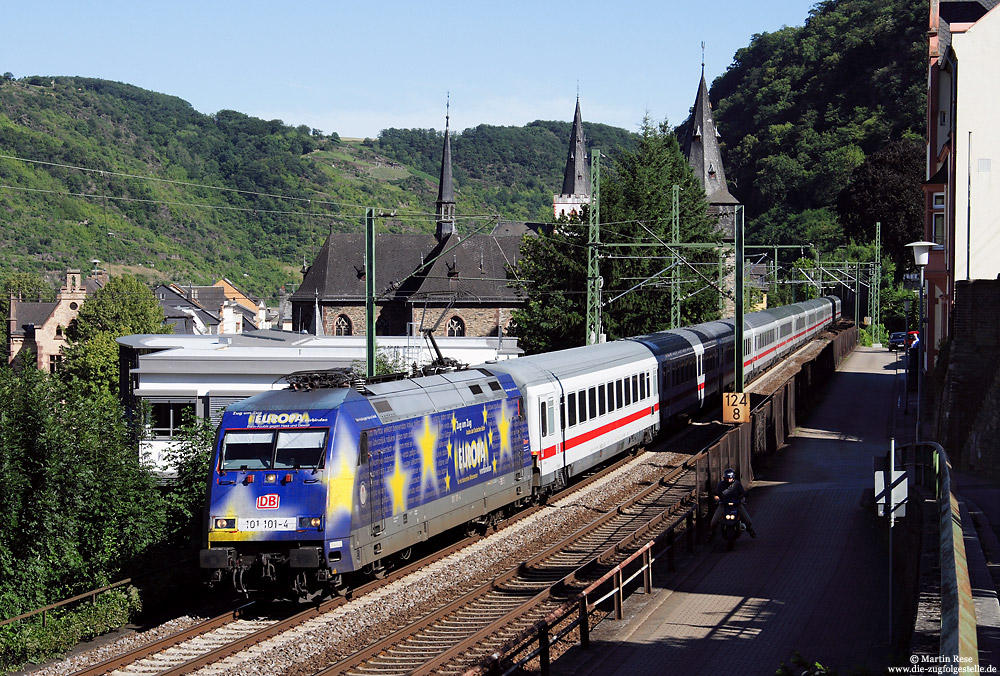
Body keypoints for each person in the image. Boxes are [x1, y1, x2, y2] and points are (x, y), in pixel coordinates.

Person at [706, 468, 756, 540]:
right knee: (714, 521)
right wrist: (717, 499)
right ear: (724, 478)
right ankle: (712, 533)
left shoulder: (737, 484)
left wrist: (744, 496)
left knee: (748, 521)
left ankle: (749, 529)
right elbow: (715, 494)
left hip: (737, 505)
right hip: (723, 505)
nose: (729, 480)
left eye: (731, 478)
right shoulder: (721, 484)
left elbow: (743, 492)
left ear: (733, 478)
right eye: (727, 478)